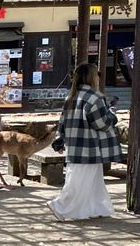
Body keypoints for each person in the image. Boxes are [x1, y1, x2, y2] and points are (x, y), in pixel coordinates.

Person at [49, 63, 121, 221]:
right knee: (81, 181)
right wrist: (112, 114)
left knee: (89, 180)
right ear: (91, 77)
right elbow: (102, 123)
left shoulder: (71, 97)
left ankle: (97, 208)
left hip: (74, 145)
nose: (98, 78)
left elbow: (63, 122)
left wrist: (60, 140)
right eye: (96, 75)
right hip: (90, 146)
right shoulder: (95, 98)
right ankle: (60, 206)